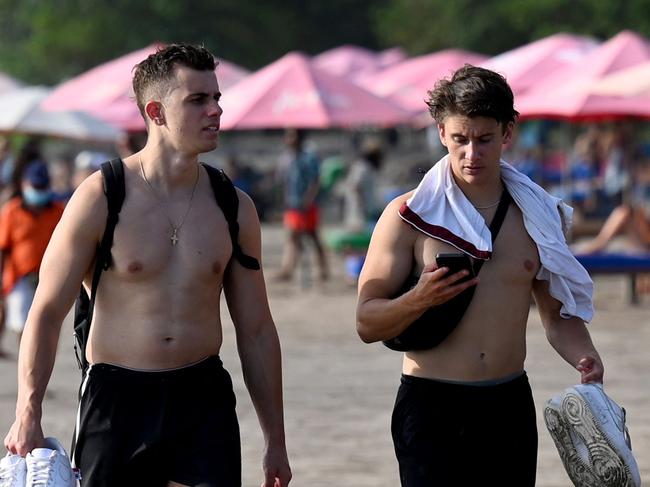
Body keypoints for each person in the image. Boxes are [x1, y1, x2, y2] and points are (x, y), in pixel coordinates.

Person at [3, 44, 291, 487]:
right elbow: (45, 311)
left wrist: (276, 439)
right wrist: (28, 411)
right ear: (155, 111)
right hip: (116, 399)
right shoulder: (102, 197)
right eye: (198, 100)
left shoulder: (234, 206)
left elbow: (255, 329)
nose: (216, 110)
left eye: (217, 98)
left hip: (203, 397)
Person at [355, 65, 604, 486]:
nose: (472, 154)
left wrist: (585, 356)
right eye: (460, 140)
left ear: (508, 133)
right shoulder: (408, 216)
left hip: (507, 403)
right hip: (431, 402)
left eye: (485, 139)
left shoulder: (536, 218)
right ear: (441, 133)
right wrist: (419, 298)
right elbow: (366, 322)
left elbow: (556, 315)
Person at [0, 161, 64, 356]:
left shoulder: (58, 212)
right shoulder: (12, 211)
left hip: (49, 278)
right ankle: (27, 357)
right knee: (23, 323)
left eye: (42, 187)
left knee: (44, 323)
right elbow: (3, 248)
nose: (38, 191)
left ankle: (35, 359)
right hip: (19, 276)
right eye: (35, 187)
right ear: (24, 185)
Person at [275, 128, 329, 282]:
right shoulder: (287, 158)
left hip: (306, 204)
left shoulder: (309, 157)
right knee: (292, 236)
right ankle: (288, 268)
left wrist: (308, 199)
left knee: (313, 236)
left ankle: (322, 269)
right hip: (292, 203)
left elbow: (315, 181)